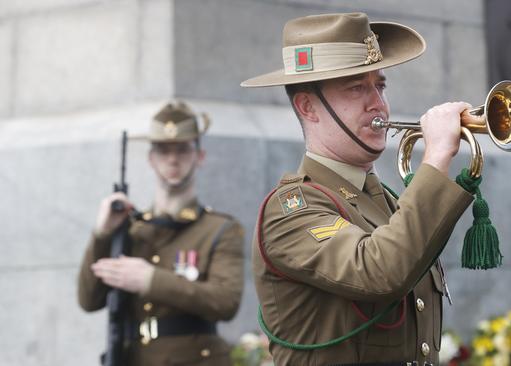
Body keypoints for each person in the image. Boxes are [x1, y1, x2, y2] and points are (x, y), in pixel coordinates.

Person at [241, 12, 475, 366]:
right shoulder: (291, 208)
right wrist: (437, 157)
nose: (377, 103)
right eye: (356, 88)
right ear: (308, 107)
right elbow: (380, 270)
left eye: (379, 85)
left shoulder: (390, 203)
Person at [77, 101, 244, 365]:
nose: (172, 159)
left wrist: (150, 280)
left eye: (182, 149)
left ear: (200, 157)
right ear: (150, 159)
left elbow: (225, 302)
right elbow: (89, 300)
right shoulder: (132, 228)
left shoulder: (220, 228)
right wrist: (102, 234)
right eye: (163, 150)